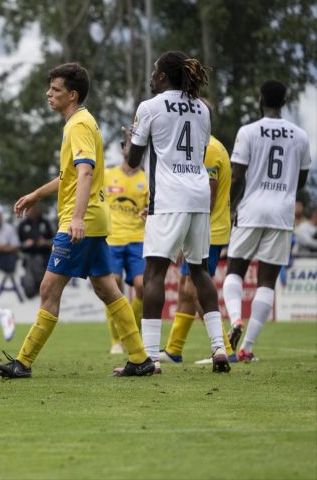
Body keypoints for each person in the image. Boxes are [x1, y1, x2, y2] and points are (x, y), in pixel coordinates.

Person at [0, 63, 152, 380]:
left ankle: (22, 363)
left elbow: (85, 172)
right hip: (94, 219)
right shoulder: (81, 122)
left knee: (49, 288)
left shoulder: (78, 124)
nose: (49, 94)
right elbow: (69, 175)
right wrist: (37, 194)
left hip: (81, 221)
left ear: (72, 95)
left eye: (56, 90)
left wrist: (76, 217)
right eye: (49, 88)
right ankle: (140, 358)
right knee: (107, 288)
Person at [123, 51, 230, 374]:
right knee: (200, 272)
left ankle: (150, 358)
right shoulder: (202, 108)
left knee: (155, 273)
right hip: (198, 196)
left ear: (164, 76)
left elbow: (132, 161)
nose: (152, 77)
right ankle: (219, 349)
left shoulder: (150, 107)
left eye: (155, 71)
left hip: (168, 198)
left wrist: (131, 137)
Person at [222, 80, 311, 361]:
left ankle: (235, 319)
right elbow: (303, 179)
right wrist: (284, 194)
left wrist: (226, 205)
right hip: (281, 213)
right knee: (266, 282)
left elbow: (237, 176)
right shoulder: (300, 135)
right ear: (284, 102)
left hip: (251, 210)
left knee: (234, 270)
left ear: (260, 100)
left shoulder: (248, 132)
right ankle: (247, 347)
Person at [161, 128, 236, 365]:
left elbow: (209, 198)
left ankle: (225, 349)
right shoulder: (208, 145)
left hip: (209, 230)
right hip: (207, 228)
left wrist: (189, 232)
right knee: (186, 288)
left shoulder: (209, 149)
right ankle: (174, 350)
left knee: (194, 289)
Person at [103, 137, 148, 353]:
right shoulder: (107, 175)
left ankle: (131, 330)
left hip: (138, 240)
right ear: (122, 149)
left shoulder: (147, 179)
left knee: (142, 287)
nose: (133, 149)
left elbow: (154, 207)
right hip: (112, 240)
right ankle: (115, 341)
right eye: (129, 145)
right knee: (113, 285)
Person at [16, 204, 55, 299]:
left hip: (45, 257)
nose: (32, 211)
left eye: (35, 208)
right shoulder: (22, 224)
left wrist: (45, 242)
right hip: (28, 258)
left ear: (39, 209)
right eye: (30, 209)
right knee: (29, 286)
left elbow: (57, 240)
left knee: (45, 285)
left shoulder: (47, 222)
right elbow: (16, 244)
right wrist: (25, 244)